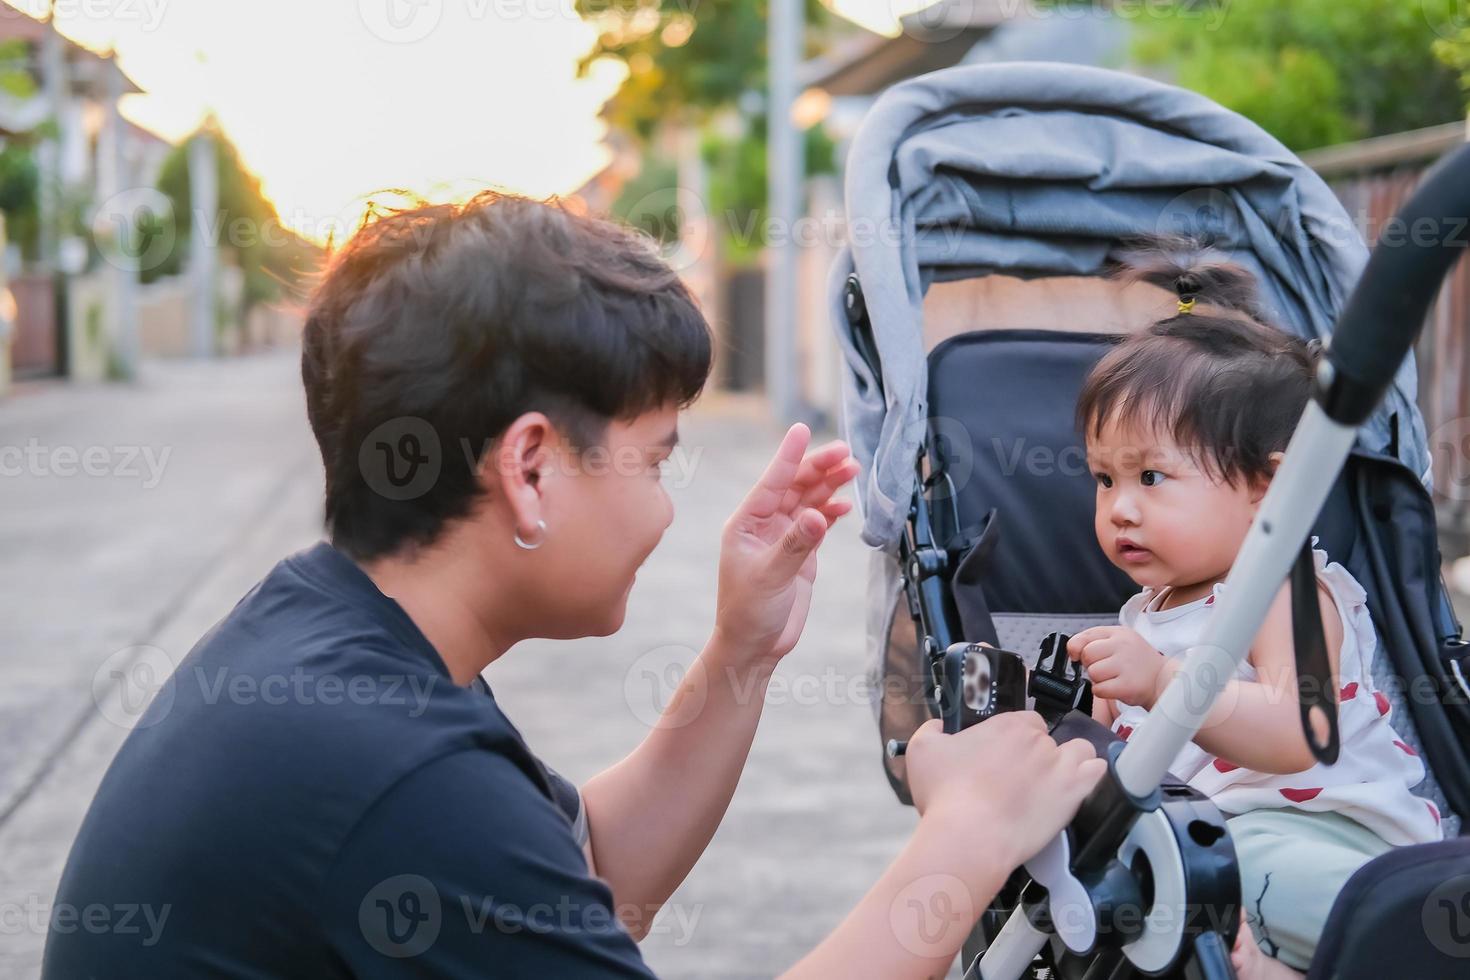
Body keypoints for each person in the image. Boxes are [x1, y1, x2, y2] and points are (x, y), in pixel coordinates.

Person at [44, 192, 1104, 979]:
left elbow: (582, 875)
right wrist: (963, 836)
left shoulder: (336, 636)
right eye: (656, 459)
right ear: (532, 467)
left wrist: (740, 650)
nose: (666, 507)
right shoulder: (393, 770)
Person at [1067, 243, 1443, 979]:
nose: (1121, 508)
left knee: (1235, 868)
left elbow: (1300, 731)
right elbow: (1124, 759)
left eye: (1150, 475)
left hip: (1327, 838)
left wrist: (1161, 683)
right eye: (1104, 481)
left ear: (1269, 489)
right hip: (1207, 842)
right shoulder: (1140, 613)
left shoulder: (1285, 588)